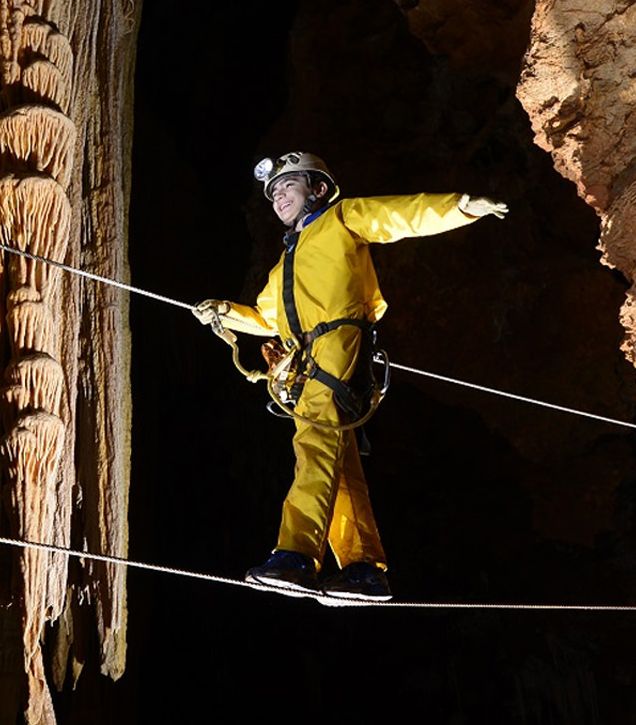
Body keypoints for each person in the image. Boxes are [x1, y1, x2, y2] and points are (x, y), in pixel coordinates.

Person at [193, 151, 507, 604]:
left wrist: (458, 207)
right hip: (305, 360)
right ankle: (363, 569)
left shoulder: (340, 220)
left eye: (288, 185)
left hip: (338, 341)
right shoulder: (284, 265)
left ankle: (296, 554)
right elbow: (267, 316)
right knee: (338, 463)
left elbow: (396, 217)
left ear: (317, 189)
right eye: (274, 191)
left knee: (315, 443)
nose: (278, 196)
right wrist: (226, 312)